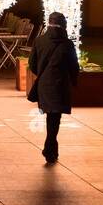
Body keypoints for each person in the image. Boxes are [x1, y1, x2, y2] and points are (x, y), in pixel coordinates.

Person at [29, 11, 79, 164]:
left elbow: (32, 64)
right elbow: (74, 66)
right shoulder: (67, 44)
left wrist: (43, 75)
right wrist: (73, 81)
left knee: (51, 117)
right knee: (55, 118)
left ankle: (52, 151)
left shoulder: (39, 41)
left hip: (44, 85)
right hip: (60, 84)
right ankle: (49, 148)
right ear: (63, 26)